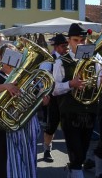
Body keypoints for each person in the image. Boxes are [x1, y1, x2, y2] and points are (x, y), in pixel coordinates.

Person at [52, 23, 102, 177]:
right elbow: (54, 89)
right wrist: (71, 84)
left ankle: (73, 170)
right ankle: (74, 170)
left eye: (83, 40)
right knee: (76, 155)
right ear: (69, 41)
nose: (80, 44)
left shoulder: (97, 59)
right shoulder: (61, 62)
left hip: (90, 110)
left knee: (83, 151)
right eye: (76, 40)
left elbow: (100, 86)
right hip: (70, 112)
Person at [0, 43, 40, 178]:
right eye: (8, 54)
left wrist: (42, 96)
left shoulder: (24, 75)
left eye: (14, 54)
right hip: (3, 124)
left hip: (23, 123)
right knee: (3, 161)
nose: (12, 57)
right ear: (1, 57)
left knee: (26, 158)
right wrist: (6, 86)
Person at [42, 34, 69, 162]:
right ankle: (47, 149)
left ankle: (75, 154)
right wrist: (44, 94)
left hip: (68, 96)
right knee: (51, 125)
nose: (66, 49)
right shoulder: (49, 61)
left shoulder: (71, 59)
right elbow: (42, 80)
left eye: (67, 46)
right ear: (57, 47)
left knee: (70, 126)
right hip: (54, 98)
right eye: (64, 46)